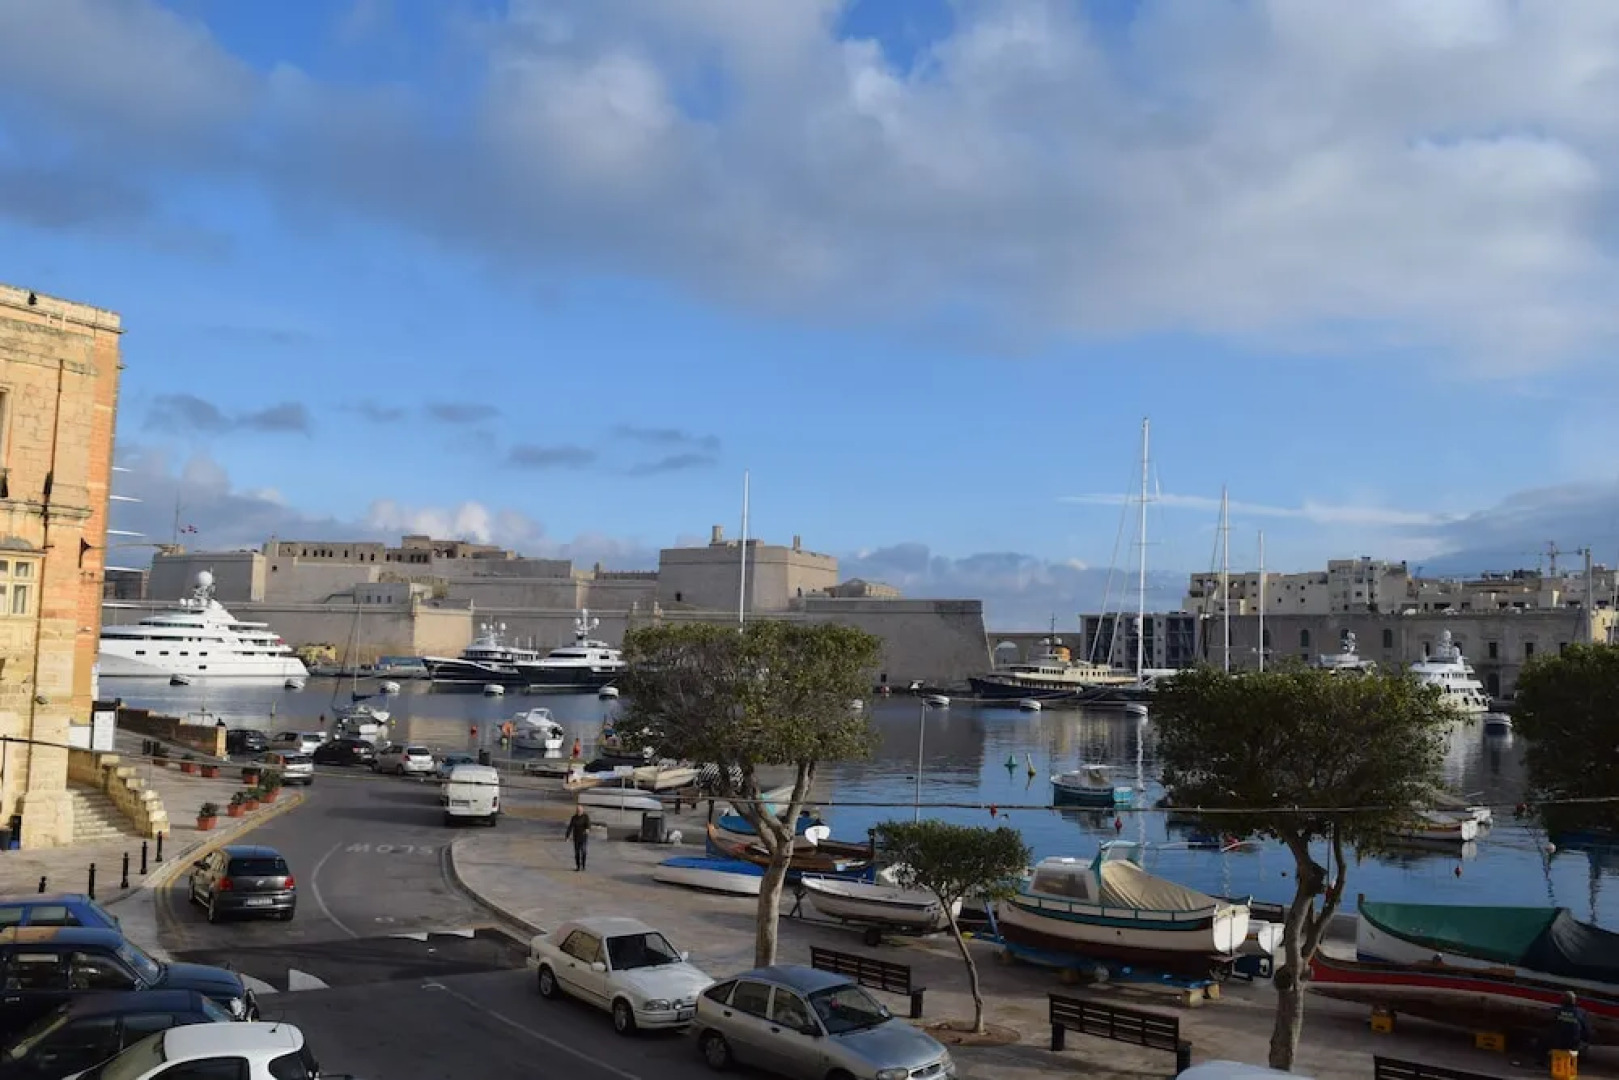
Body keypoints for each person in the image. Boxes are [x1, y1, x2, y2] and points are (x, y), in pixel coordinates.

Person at [1547, 990, 1592, 1058]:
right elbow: (1587, 1030)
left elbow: (1551, 1026)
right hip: (1574, 1043)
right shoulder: (1581, 1012)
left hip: (1558, 1042)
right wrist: (1585, 1040)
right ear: (1574, 1001)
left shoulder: (1556, 1011)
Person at [564, 805, 592, 871]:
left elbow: (588, 824)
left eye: (580, 811)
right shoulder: (574, 818)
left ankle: (583, 865)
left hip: (583, 837)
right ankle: (578, 866)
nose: (578, 812)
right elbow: (570, 827)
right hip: (576, 838)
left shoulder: (586, 817)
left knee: (584, 851)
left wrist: (587, 829)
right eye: (577, 811)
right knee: (577, 853)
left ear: (582, 810)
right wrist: (567, 836)